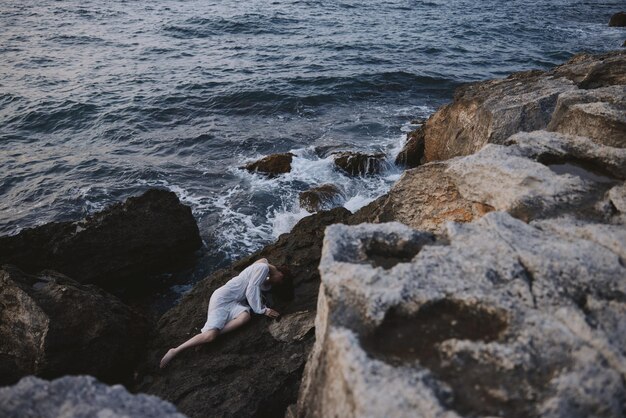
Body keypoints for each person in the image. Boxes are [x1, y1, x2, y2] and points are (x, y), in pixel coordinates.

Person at [159, 258, 286, 368]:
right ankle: (175, 351)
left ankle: (210, 335)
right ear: (280, 272)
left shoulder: (265, 276)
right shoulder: (263, 267)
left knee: (245, 317)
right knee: (210, 337)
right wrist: (263, 310)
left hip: (235, 302)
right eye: (282, 279)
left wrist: (272, 276)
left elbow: (260, 282)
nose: (280, 283)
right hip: (223, 298)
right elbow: (251, 290)